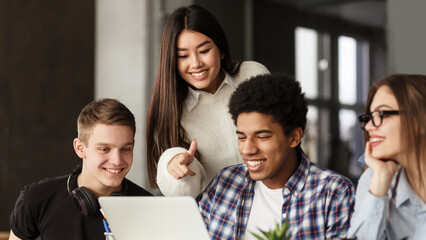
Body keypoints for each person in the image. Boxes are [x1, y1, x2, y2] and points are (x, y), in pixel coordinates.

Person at [196, 73, 355, 240]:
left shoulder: (333, 193)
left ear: (294, 137)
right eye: (242, 137)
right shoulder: (226, 183)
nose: (248, 149)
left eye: (262, 137)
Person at [146, 4, 269, 197]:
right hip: (220, 218)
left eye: (204, 51)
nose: (195, 63)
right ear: (172, 61)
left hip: (276, 203)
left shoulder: (253, 75)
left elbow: (286, 139)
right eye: (183, 56)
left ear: (220, 49)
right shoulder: (171, 112)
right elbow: (184, 193)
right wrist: (176, 170)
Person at [9, 98, 152, 240]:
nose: (117, 160)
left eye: (126, 149)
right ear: (80, 148)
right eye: (104, 149)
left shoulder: (151, 208)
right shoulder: (36, 199)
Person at [348, 74, 426, 240]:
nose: (369, 126)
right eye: (369, 117)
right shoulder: (372, 179)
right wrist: (379, 185)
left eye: (382, 114)